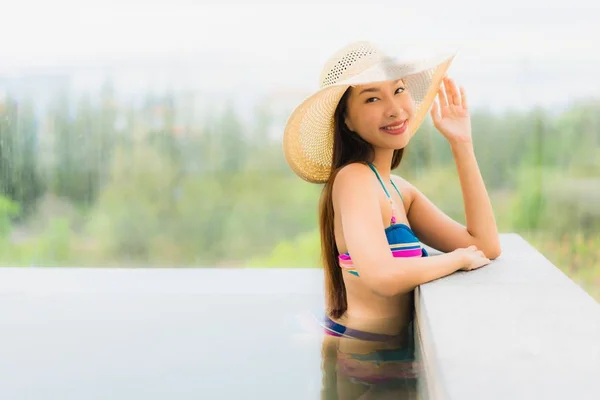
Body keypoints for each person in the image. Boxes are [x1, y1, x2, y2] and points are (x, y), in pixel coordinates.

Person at [283, 41, 502, 397]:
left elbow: (486, 246)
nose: (395, 108)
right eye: (372, 98)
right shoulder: (354, 179)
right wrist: (456, 260)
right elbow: (381, 276)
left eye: (398, 90)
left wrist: (462, 144)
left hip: (388, 355)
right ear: (347, 121)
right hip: (365, 359)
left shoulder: (398, 190)